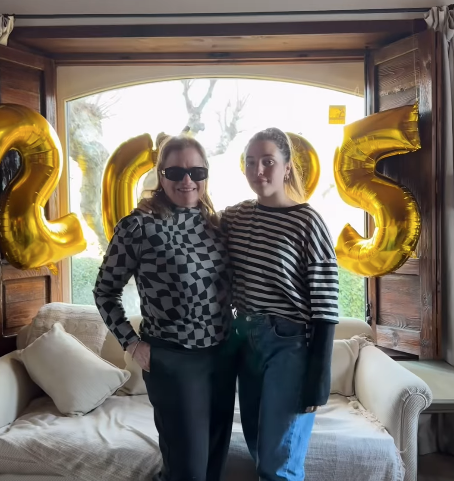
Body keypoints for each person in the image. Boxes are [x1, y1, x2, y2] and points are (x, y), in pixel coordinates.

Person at [93, 135, 236, 481]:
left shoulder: (216, 224)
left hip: (222, 355)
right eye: (175, 172)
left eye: (196, 172)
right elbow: (105, 291)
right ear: (161, 175)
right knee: (188, 470)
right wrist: (131, 343)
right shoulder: (138, 226)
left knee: (214, 463)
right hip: (174, 360)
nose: (187, 180)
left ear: (206, 175)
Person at [222, 127, 339, 481]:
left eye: (268, 161)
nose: (258, 170)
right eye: (250, 162)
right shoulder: (235, 218)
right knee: (259, 448)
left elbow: (326, 303)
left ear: (287, 167)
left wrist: (319, 376)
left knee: (279, 465)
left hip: (289, 346)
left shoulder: (308, 222)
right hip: (244, 341)